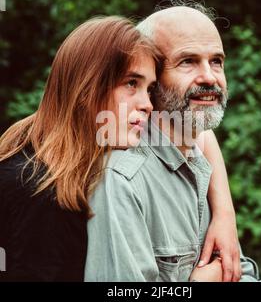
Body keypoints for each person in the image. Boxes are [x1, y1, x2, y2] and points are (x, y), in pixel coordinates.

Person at [85, 1, 261, 282]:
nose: (209, 77)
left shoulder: (200, 160)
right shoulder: (122, 181)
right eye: (188, 61)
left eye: (216, 61)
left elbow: (241, 273)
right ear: (153, 79)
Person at [0, 16, 161, 281]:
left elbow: (195, 133)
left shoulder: (73, 170)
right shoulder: (36, 191)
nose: (147, 104)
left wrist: (223, 210)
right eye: (131, 83)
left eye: (149, 89)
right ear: (88, 86)